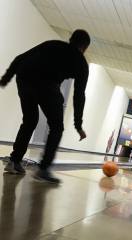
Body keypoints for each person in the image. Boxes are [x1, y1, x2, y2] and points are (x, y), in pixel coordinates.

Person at [0, 29, 91, 184]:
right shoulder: (81, 63)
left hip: (24, 79)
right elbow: (79, 96)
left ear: (70, 39)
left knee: (29, 120)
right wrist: (78, 125)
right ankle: (43, 170)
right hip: (46, 85)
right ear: (85, 48)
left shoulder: (52, 44)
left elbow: (19, 58)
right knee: (56, 127)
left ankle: (14, 161)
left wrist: (4, 80)